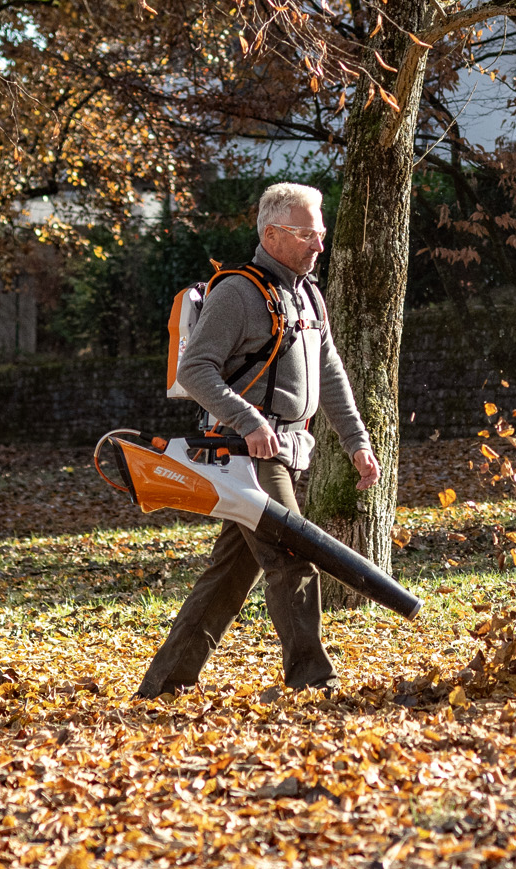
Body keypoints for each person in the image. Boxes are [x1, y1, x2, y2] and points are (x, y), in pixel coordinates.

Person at [136, 181, 380, 697]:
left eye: (322, 233)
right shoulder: (238, 293)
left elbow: (330, 373)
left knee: (233, 569)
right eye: (308, 234)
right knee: (293, 556)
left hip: (288, 450)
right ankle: (313, 680)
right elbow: (195, 369)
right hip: (244, 454)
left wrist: (357, 442)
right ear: (272, 234)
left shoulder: (308, 292)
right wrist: (249, 421)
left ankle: (164, 683)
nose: (320, 244)